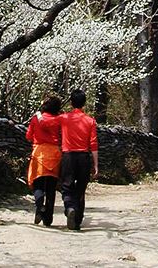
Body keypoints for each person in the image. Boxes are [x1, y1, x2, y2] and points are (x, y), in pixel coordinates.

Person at [59, 89, 98, 231]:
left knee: (67, 185)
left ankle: (70, 207)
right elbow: (93, 143)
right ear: (84, 103)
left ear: (71, 102)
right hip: (83, 157)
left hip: (68, 155)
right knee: (81, 188)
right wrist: (96, 164)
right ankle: (77, 219)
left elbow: (49, 123)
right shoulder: (90, 121)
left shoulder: (63, 118)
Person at [26, 95, 62, 226]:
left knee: (38, 184)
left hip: (40, 154)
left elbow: (28, 136)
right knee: (51, 188)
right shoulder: (59, 120)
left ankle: (40, 205)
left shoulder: (36, 118)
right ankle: (48, 219)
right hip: (55, 154)